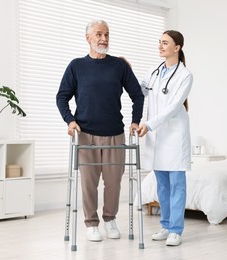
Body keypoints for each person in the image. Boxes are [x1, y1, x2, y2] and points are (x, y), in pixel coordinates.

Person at [56, 20, 144, 242]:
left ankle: (110, 219)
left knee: (114, 182)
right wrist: (70, 121)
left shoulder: (119, 66)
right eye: (98, 34)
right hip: (86, 134)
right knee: (89, 182)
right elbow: (62, 97)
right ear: (88, 38)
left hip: (115, 133)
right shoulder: (76, 66)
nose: (103, 38)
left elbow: (137, 95)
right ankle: (91, 223)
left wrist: (135, 121)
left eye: (106, 34)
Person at [138, 30, 193, 246]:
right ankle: (166, 225)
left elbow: (172, 107)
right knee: (162, 185)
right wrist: (126, 70)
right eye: (159, 42)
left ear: (177, 47)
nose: (160, 46)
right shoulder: (154, 71)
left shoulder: (185, 75)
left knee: (176, 185)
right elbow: (140, 90)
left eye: (165, 43)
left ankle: (176, 231)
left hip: (174, 135)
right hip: (157, 136)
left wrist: (149, 124)